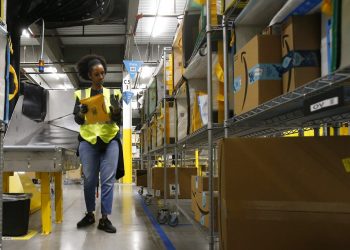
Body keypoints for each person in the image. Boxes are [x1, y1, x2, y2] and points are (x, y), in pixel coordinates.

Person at [73, 54, 122, 233]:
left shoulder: (114, 93)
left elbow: (119, 119)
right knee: (89, 180)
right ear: (89, 75)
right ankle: (90, 214)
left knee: (108, 180)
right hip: (88, 141)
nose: (100, 77)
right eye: (96, 74)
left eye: (103, 73)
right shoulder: (81, 95)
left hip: (110, 140)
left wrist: (116, 111)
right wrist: (81, 113)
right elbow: (78, 121)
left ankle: (105, 218)